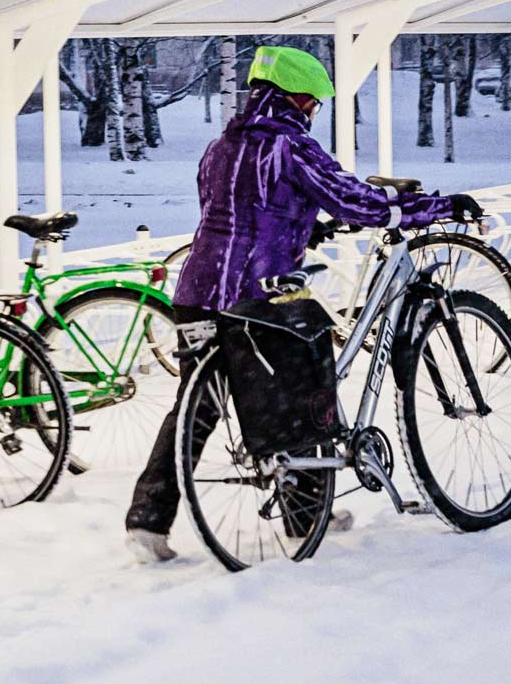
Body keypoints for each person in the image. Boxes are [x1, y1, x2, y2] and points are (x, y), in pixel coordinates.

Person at [125, 44, 483, 563]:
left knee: (196, 405)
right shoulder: (291, 146)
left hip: (198, 293)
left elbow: (236, 211)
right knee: (302, 385)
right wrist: (437, 207)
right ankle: (302, 512)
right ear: (296, 98)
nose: (315, 111)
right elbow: (359, 202)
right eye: (314, 101)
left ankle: (148, 521)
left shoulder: (219, 146)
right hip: (260, 297)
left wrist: (301, 227)